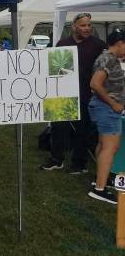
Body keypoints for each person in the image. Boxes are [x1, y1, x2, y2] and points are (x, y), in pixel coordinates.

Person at [40, 13, 106, 174]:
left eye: (89, 25)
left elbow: (106, 68)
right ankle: (56, 159)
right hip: (62, 94)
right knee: (58, 128)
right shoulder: (62, 43)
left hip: (86, 94)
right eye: (83, 25)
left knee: (82, 131)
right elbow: (54, 67)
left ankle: (79, 164)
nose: (87, 28)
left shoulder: (98, 45)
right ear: (74, 27)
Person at [87, 29, 125, 204]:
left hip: (104, 108)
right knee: (111, 147)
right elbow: (95, 84)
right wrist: (113, 103)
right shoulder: (108, 59)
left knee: (104, 145)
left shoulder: (108, 58)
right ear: (120, 43)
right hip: (107, 109)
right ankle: (99, 189)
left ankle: (99, 179)